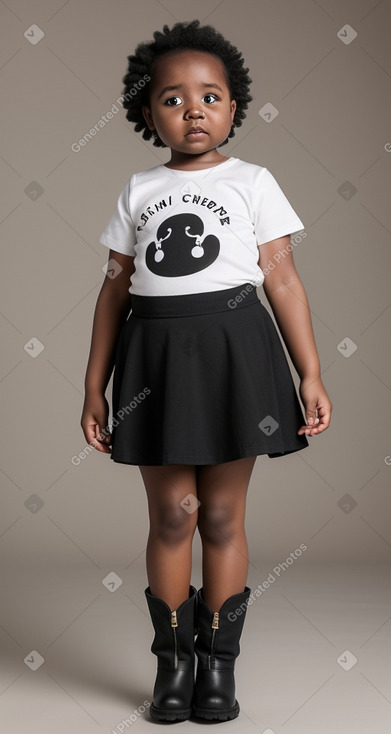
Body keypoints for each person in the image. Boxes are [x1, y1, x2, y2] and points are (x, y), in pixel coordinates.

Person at [81, 19, 332, 723]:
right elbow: (112, 290)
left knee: (220, 513)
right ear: (144, 112)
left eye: (210, 95)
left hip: (234, 352)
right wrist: (93, 386)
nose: (193, 108)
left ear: (232, 106)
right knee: (172, 515)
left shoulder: (253, 181)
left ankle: (218, 670)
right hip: (152, 357)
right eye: (172, 98)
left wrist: (309, 372)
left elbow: (281, 280)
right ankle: (173, 667)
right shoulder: (137, 189)